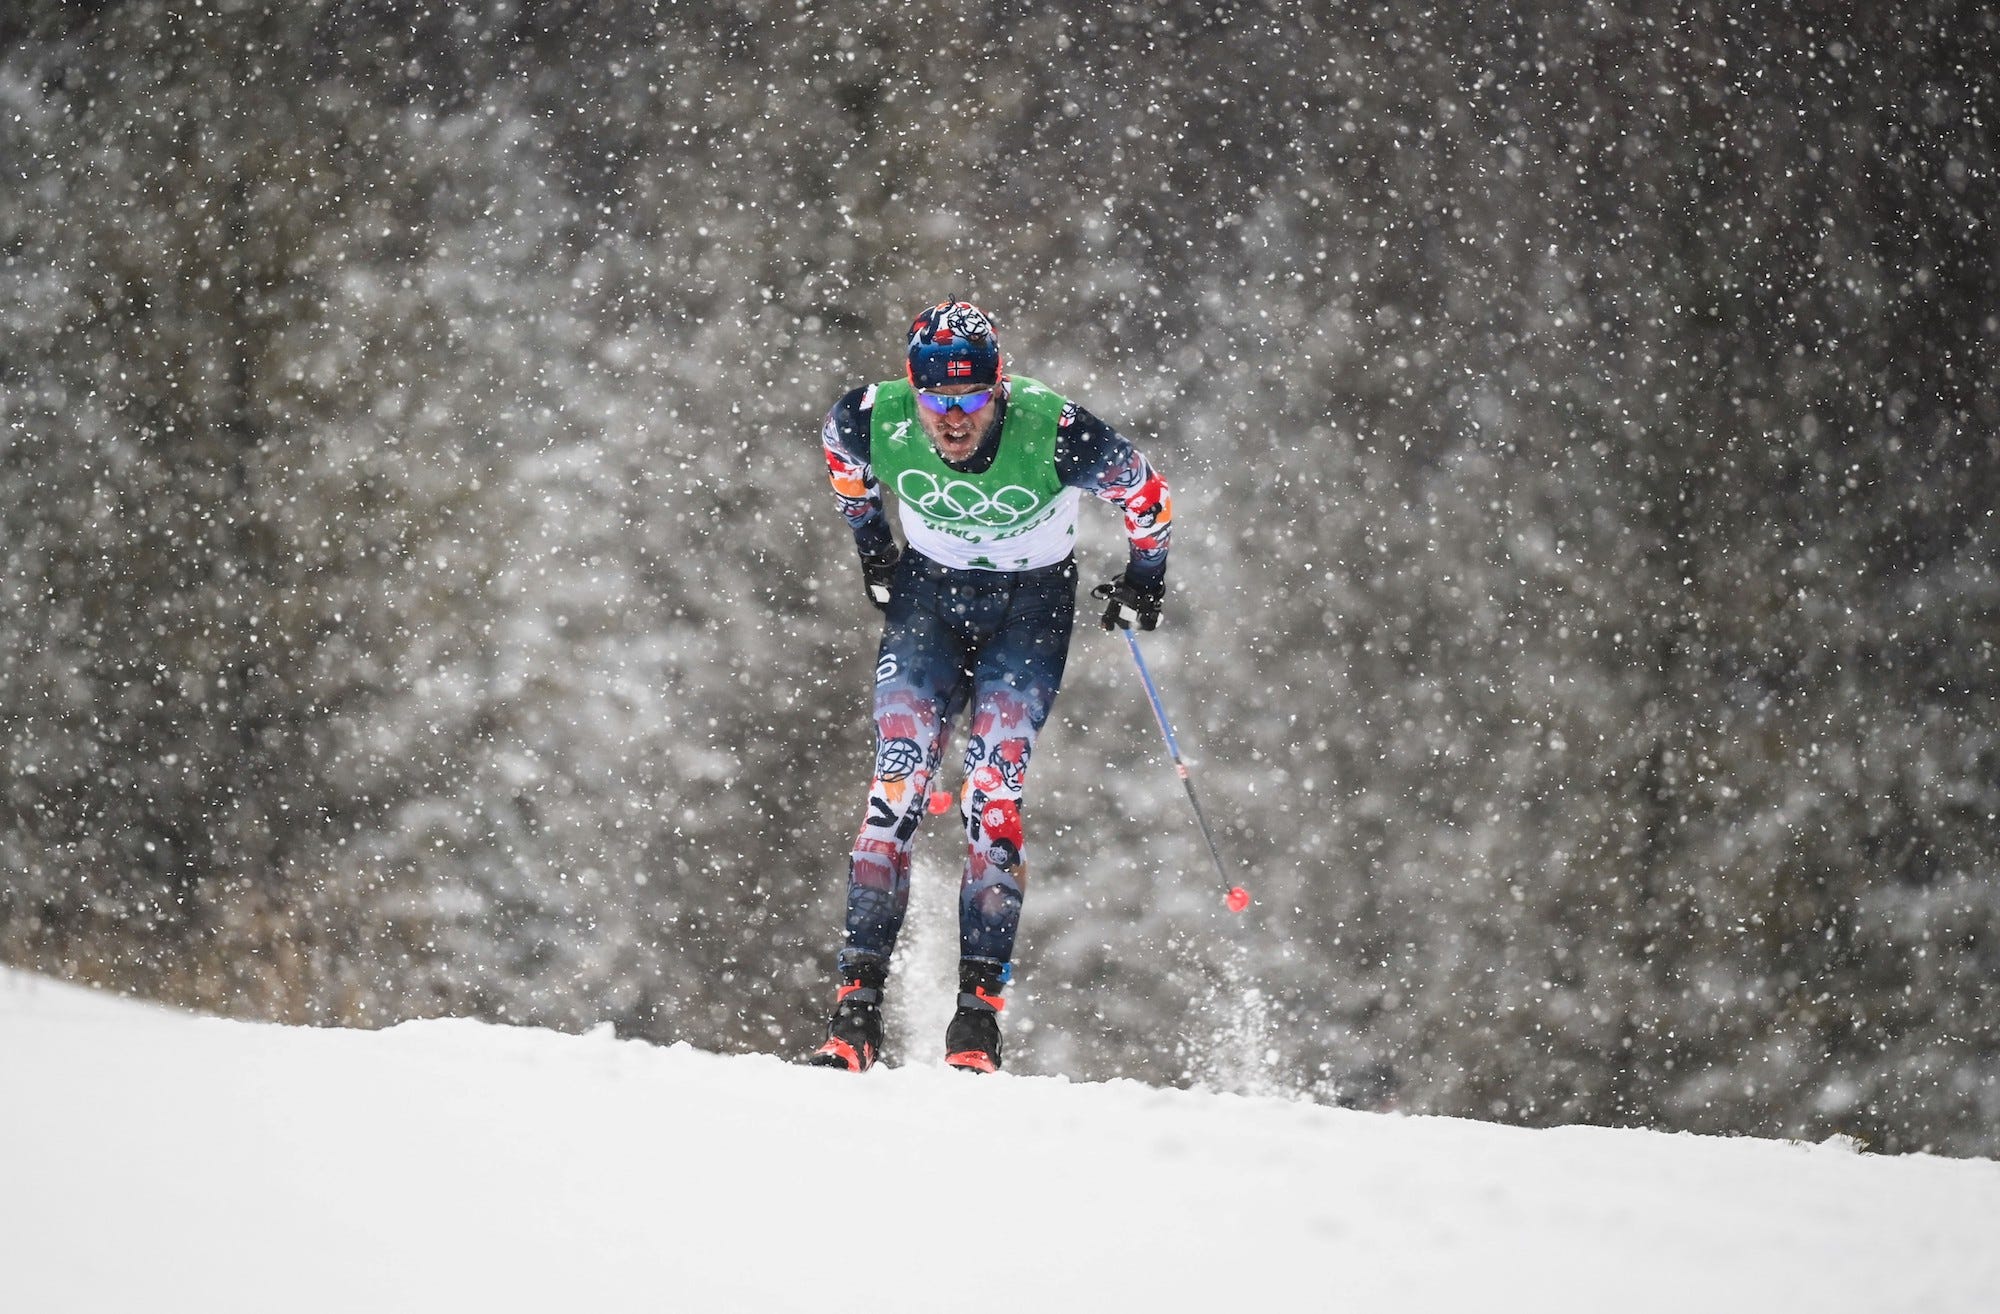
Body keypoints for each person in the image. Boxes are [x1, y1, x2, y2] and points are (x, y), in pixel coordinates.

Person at [809, 299, 1173, 1074]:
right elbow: (843, 463)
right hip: (928, 601)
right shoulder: (873, 418)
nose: (952, 418)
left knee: (992, 792)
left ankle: (976, 1022)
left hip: (1029, 609)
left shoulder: (1060, 430)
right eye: (937, 399)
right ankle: (855, 1014)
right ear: (914, 388)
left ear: (999, 385)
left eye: (971, 398)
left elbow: (1147, 496)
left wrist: (1146, 578)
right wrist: (875, 548)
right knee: (896, 785)